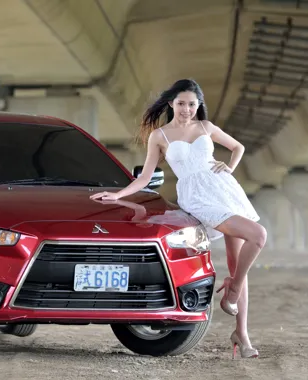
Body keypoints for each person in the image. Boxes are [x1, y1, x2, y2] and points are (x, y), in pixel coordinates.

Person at [89, 79, 265, 359]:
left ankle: (241, 334)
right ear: (171, 103)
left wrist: (228, 167)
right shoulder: (160, 136)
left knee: (237, 261)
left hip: (224, 189)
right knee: (259, 235)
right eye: (182, 103)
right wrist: (117, 194)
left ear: (198, 106)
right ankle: (231, 292)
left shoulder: (206, 127)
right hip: (197, 196)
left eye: (192, 104)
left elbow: (238, 147)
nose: (187, 109)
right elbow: (145, 177)